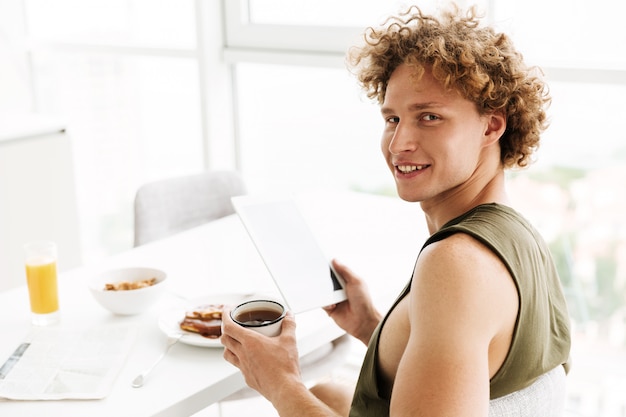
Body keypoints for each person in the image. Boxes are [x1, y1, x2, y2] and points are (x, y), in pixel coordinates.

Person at [221, 4, 572, 416]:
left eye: (429, 117)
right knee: (328, 390)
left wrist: (279, 381)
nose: (398, 142)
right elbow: (467, 360)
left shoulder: (456, 264)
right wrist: (373, 325)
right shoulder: (517, 234)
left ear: (491, 127)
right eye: (392, 118)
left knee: (308, 391)